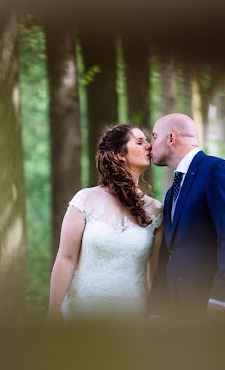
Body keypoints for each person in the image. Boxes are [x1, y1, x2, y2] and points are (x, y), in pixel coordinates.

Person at [148, 113, 225, 320]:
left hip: (215, 307)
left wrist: (221, 298)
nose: (150, 145)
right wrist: (157, 308)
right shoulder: (172, 191)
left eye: (154, 137)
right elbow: (169, 252)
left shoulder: (217, 171)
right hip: (179, 310)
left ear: (171, 138)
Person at [47, 124, 163, 321]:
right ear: (119, 154)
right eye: (140, 142)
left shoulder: (157, 210)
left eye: (148, 141)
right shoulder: (85, 199)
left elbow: (155, 272)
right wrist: (53, 310)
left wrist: (155, 313)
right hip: (80, 317)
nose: (149, 146)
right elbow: (66, 258)